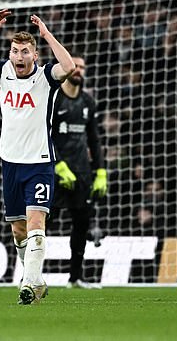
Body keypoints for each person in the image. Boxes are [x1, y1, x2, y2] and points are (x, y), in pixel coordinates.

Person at [0, 9, 76, 304]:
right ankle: (35, 281)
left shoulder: (47, 76)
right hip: (9, 162)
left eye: (25, 51)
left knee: (37, 224)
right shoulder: (2, 72)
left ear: (34, 56)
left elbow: (70, 66)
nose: (19, 56)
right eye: (15, 51)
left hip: (39, 162)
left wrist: (46, 35)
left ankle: (28, 284)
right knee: (18, 230)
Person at [50, 54, 107, 289]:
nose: (79, 70)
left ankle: (75, 278)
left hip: (82, 173)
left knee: (81, 225)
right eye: (75, 66)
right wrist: (58, 164)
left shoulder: (88, 102)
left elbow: (94, 139)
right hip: (54, 172)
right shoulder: (53, 99)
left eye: (83, 67)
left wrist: (101, 171)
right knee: (41, 224)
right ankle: (28, 274)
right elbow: (44, 135)